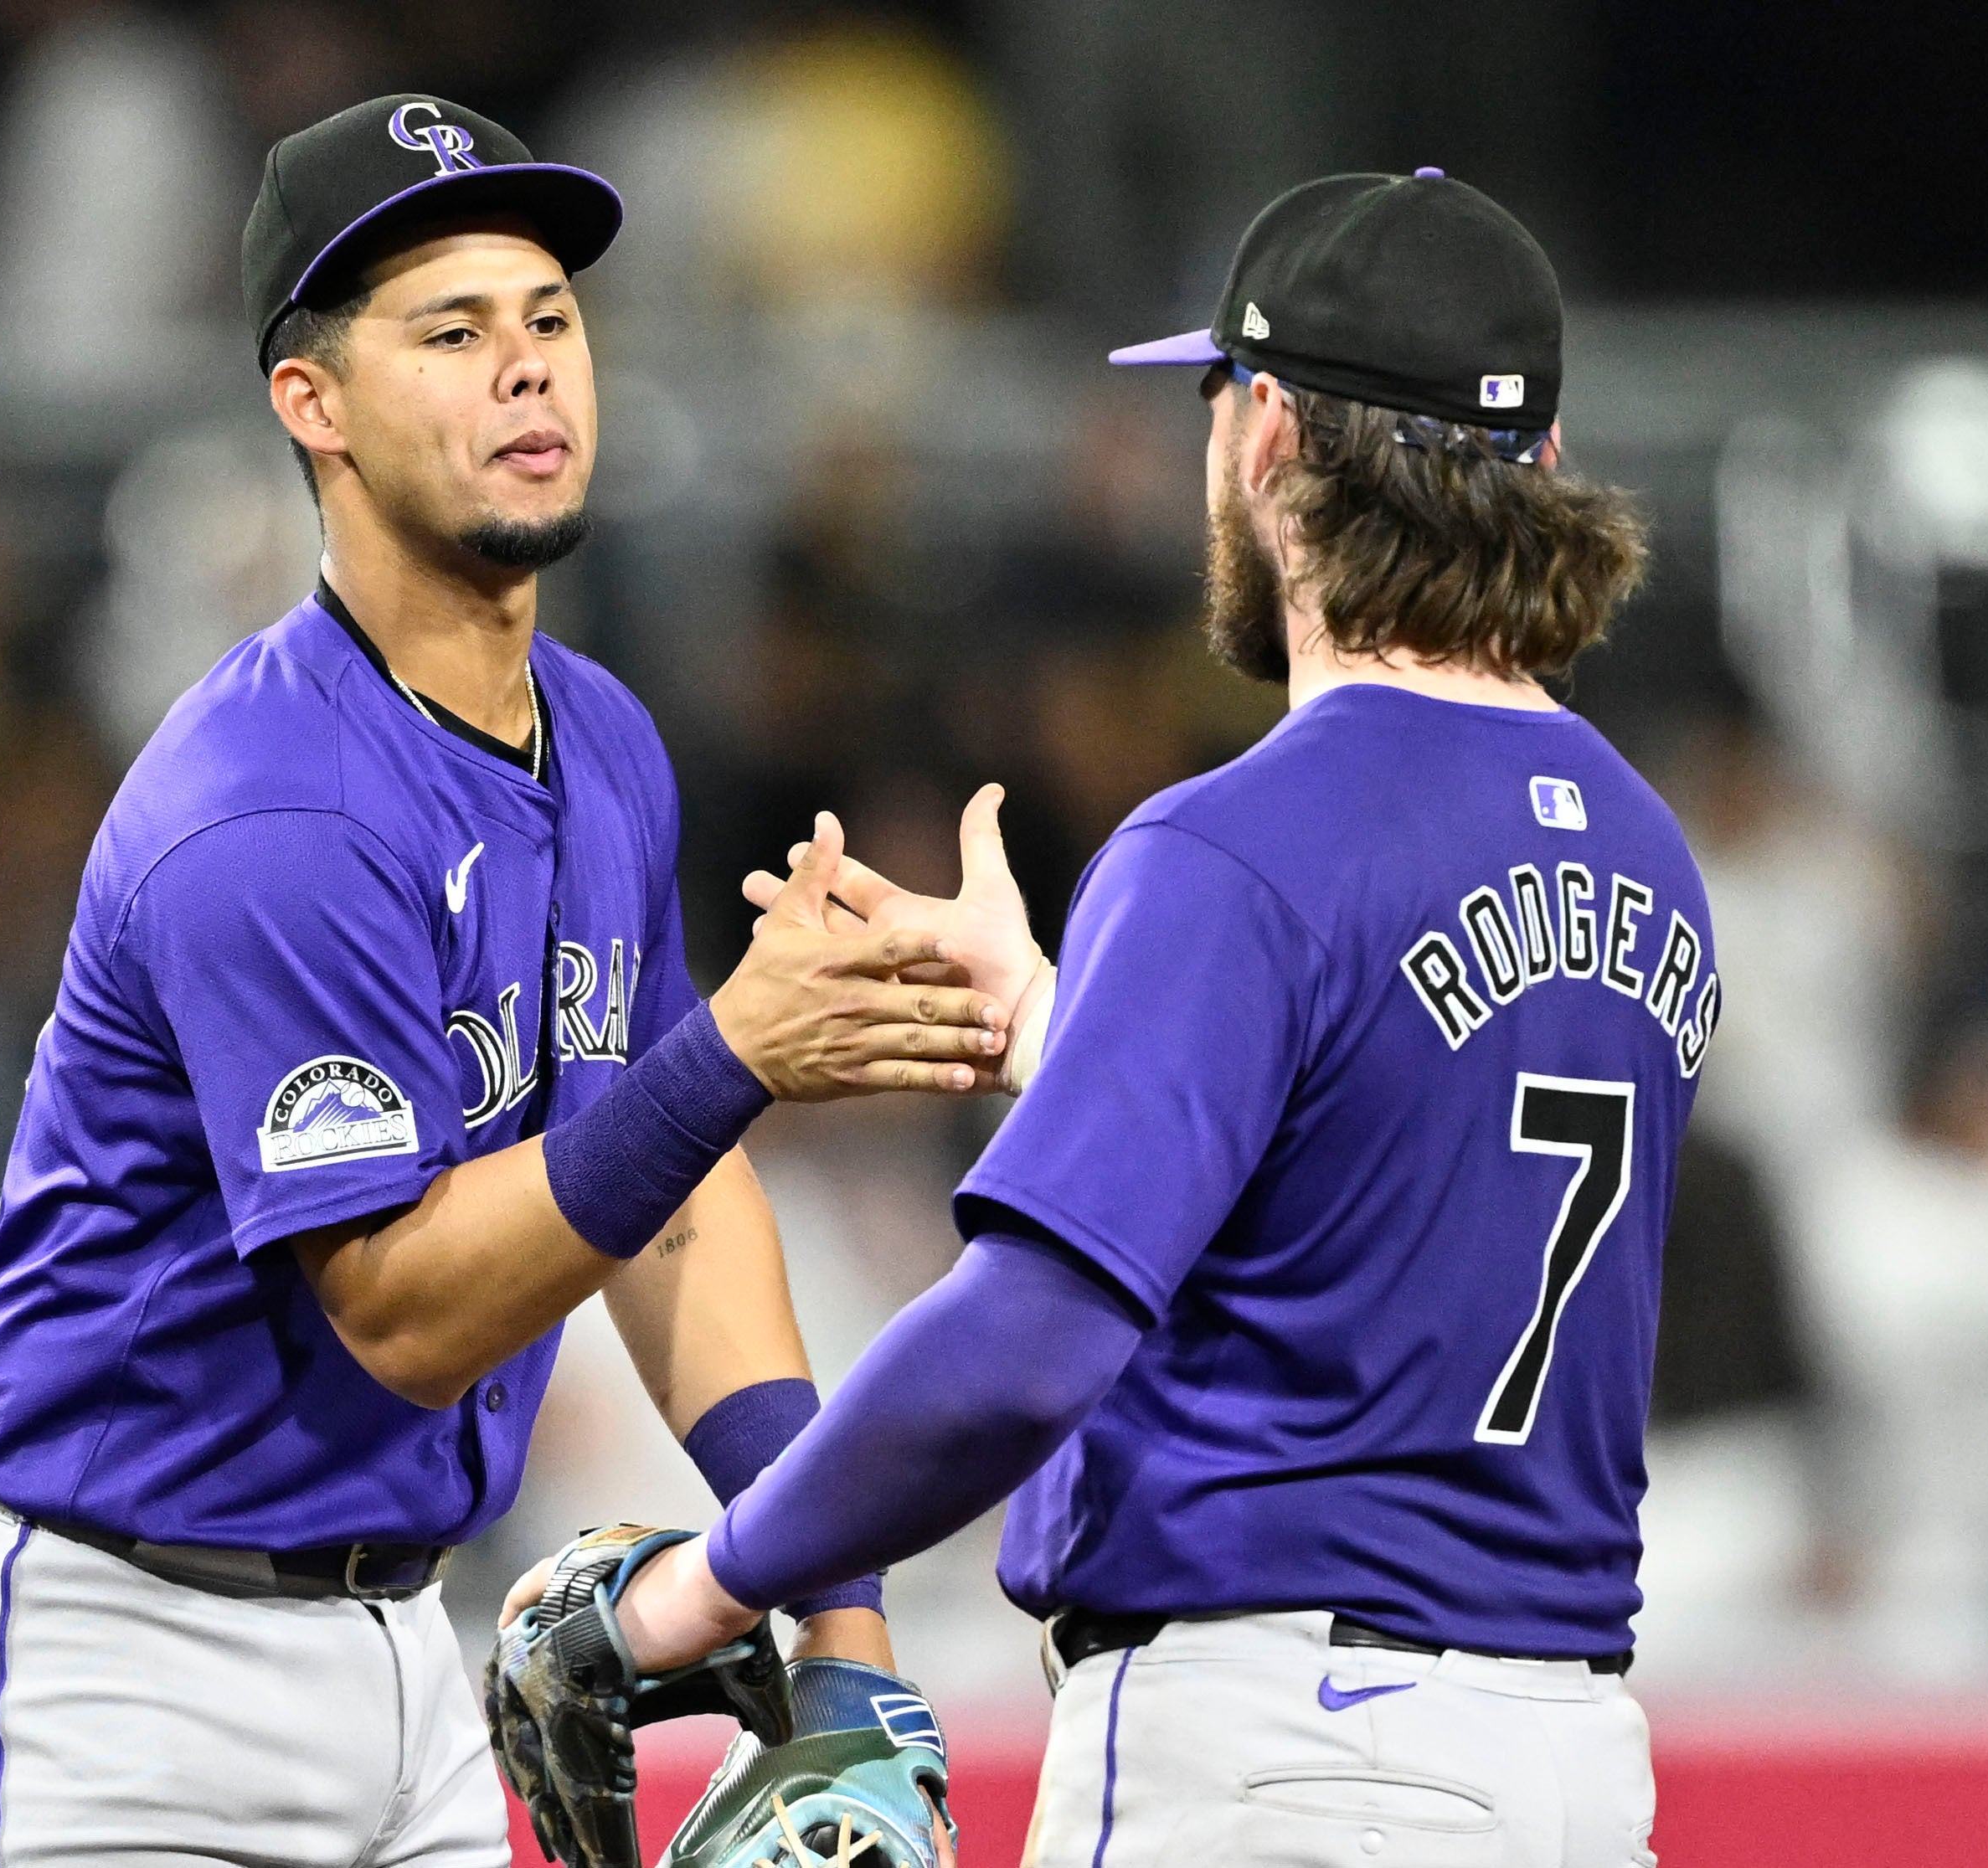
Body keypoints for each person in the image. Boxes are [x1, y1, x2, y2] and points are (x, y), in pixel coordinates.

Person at [0, 95, 1007, 1868]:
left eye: (549, 321)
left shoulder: (602, 745)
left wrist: (838, 1629)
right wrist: (741, 1055)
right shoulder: (268, 807)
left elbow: (666, 1216)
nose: (526, 372)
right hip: (105, 1649)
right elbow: (397, 1316)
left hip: (395, 1644)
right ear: (312, 403)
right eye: (451, 334)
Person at [590, 171, 1715, 1867]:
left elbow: (1024, 1349)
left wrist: (709, 1581)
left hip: (1287, 1759)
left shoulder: (1236, 843)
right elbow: (1376, 1189)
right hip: (1569, 1760)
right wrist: (1064, 1021)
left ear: (1266, 435)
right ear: (1540, 470)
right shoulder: (1650, 849)